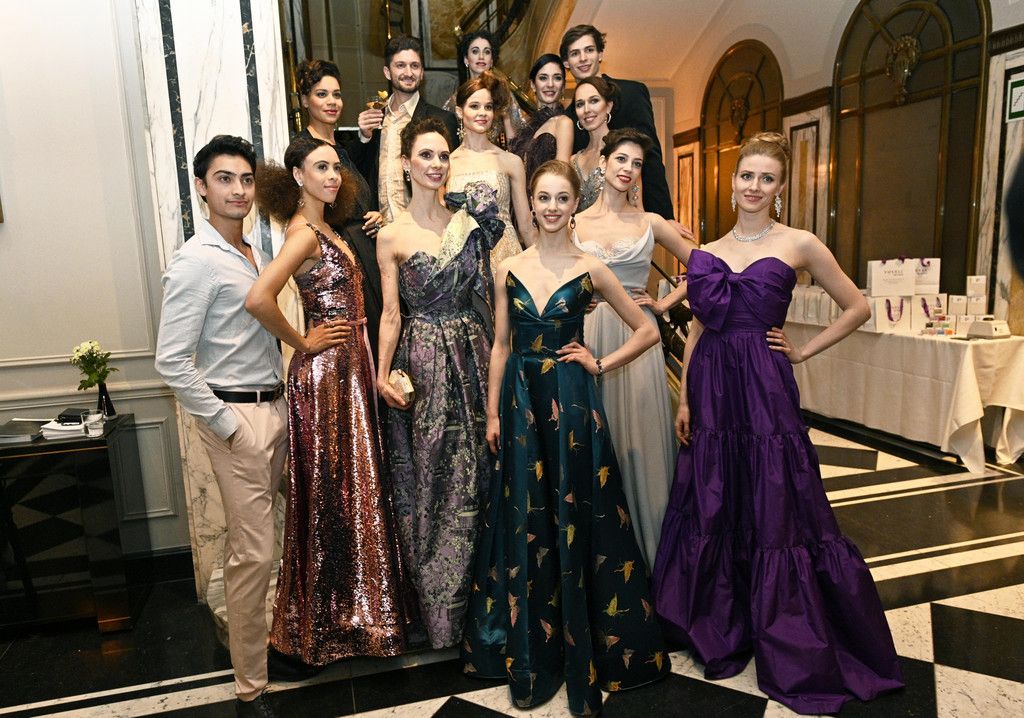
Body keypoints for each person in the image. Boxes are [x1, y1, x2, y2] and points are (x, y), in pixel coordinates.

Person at [652, 132, 904, 714]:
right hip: (711, 387)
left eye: (767, 179)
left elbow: (858, 305)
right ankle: (723, 621)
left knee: (777, 502)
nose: (755, 186)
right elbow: (698, 326)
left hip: (765, 390)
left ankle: (788, 632)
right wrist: (685, 398)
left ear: (780, 188)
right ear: (732, 181)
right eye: (747, 176)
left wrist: (804, 351)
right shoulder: (709, 249)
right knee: (717, 499)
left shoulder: (799, 242)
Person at [461, 160, 670, 716]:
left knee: (579, 510)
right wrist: (492, 413)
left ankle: (585, 644)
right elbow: (500, 346)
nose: (551, 207)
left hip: (574, 404)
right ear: (530, 203)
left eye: (561, 198)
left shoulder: (592, 268)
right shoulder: (508, 268)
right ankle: (536, 651)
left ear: (574, 204)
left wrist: (599, 363)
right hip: (521, 404)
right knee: (529, 515)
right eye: (543, 197)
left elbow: (647, 330)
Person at [245, 135, 410, 667]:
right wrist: (303, 340)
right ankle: (325, 624)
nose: (333, 176)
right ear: (297, 176)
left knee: (349, 490)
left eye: (336, 167)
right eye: (321, 167)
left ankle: (356, 616)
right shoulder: (302, 234)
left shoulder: (328, 229)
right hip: (325, 374)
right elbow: (258, 298)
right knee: (329, 494)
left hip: (349, 368)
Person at [155, 135, 287, 718]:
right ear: (201, 187)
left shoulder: (250, 252)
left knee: (274, 545)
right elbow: (171, 361)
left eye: (245, 179)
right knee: (252, 555)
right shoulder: (197, 261)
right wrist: (228, 425)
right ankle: (250, 689)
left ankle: (276, 645)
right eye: (224, 179)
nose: (238, 190)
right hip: (239, 417)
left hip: (275, 407)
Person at [376, 117, 504, 649]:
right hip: (424, 361)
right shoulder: (391, 234)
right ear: (406, 164)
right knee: (431, 480)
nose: (435, 164)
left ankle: (484, 605)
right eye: (425, 155)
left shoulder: (470, 222)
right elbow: (391, 313)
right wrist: (381, 374)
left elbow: (491, 294)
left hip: (472, 354)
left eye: (442, 155)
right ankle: (438, 611)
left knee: (478, 473)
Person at [573, 128, 695, 569]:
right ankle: (602, 567)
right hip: (587, 340)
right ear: (604, 162)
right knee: (594, 447)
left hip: (638, 341)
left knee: (641, 451)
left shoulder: (652, 223)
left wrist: (663, 303)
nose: (628, 169)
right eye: (621, 159)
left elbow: (708, 267)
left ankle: (654, 566)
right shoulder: (573, 221)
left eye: (637, 164)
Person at [294, 58, 385, 361]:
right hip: (340, 258)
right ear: (304, 99)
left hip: (366, 249)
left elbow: (357, 197)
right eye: (321, 94)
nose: (331, 102)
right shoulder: (305, 149)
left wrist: (375, 214)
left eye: (336, 94)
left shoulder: (340, 147)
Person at [560, 24, 674, 221]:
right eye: (575, 53)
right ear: (566, 63)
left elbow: (651, 158)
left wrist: (664, 217)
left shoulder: (632, 93)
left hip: (633, 215)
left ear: (600, 54)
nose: (583, 58)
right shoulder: (569, 117)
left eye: (589, 50)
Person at [348, 35, 459, 226]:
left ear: (422, 72)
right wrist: (364, 137)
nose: (408, 72)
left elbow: (451, 178)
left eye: (414, 66)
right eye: (400, 65)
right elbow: (356, 175)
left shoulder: (442, 120)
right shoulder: (375, 119)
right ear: (387, 72)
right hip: (381, 230)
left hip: (426, 227)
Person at [447, 72, 533, 272]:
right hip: (463, 262)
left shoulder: (511, 161)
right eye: (474, 106)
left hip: (507, 258)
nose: (482, 113)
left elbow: (526, 227)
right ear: (459, 112)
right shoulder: (447, 163)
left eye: (488, 107)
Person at [442, 29, 526, 143]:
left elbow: (516, 141)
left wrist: (505, 116)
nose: (481, 56)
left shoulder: (504, 94)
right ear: (466, 59)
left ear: (491, 61)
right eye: (475, 51)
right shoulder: (456, 100)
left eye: (487, 52)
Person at [508, 53, 574, 183]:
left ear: (563, 86)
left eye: (557, 78)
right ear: (533, 85)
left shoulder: (563, 123)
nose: (550, 84)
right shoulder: (528, 126)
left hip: (548, 194)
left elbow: (561, 177)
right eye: (543, 78)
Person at [570, 76, 628, 213]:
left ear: (608, 106)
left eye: (594, 101)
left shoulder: (624, 153)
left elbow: (637, 206)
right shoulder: (572, 161)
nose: (586, 109)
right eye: (580, 104)